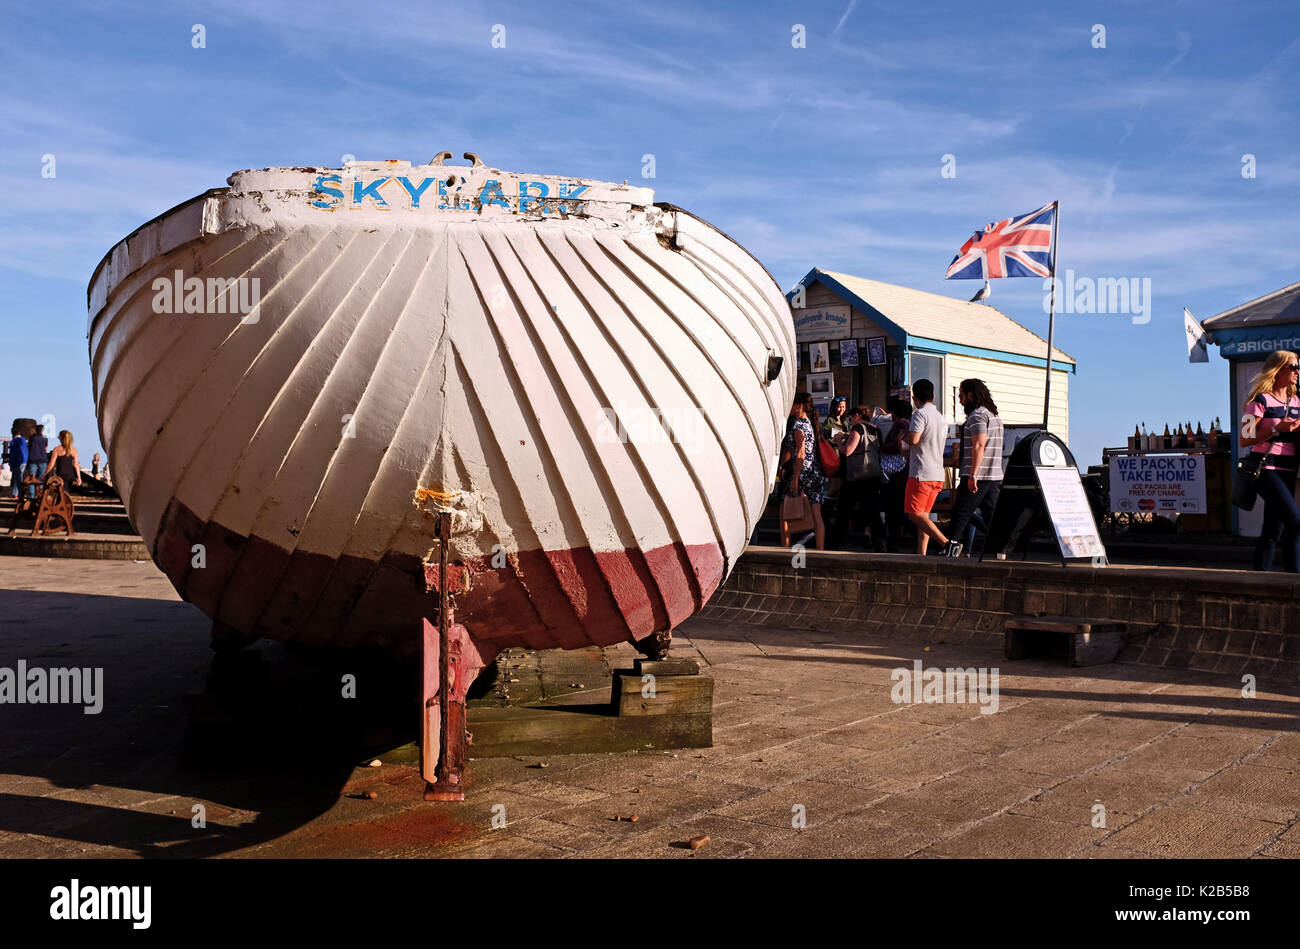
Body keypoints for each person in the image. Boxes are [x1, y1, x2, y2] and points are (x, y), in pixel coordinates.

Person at [1241, 350, 1300, 572]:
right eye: (1293, 367)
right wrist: (1276, 429)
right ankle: (1295, 580)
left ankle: (1258, 579)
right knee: (1295, 522)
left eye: (1298, 367)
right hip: (1266, 468)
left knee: (1272, 531)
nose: (1297, 371)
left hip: (1288, 469)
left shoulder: (1296, 401)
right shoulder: (1259, 400)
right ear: (1278, 369)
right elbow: (1244, 438)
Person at [948, 378, 1005, 558]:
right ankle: (999, 550)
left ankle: (949, 549)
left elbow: (979, 445)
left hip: (977, 474)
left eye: (962, 395)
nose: (960, 399)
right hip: (995, 475)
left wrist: (973, 474)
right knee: (992, 516)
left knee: (960, 513)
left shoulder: (977, 416)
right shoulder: (994, 416)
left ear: (971, 394)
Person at [905, 379, 959, 556]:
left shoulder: (920, 414)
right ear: (933, 396)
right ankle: (922, 554)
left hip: (921, 473)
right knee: (924, 515)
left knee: (914, 514)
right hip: (937, 473)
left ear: (914, 398)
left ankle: (947, 544)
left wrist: (902, 436)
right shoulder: (940, 417)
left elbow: (913, 439)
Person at [778, 391, 827, 549]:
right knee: (816, 514)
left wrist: (795, 477)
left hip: (803, 473)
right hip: (816, 473)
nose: (790, 407)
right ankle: (820, 551)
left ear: (799, 406)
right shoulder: (810, 424)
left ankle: (785, 549)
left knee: (784, 511)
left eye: (793, 404)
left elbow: (800, 452)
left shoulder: (798, 426)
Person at [837, 404, 885, 551]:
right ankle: (880, 545)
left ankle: (834, 542)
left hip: (857, 477)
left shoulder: (858, 429)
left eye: (851, 417)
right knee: (873, 513)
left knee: (843, 510)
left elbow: (847, 451)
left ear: (858, 415)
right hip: (874, 475)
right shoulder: (876, 430)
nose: (849, 420)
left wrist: (838, 441)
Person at [879, 396, 912, 551]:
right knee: (900, 510)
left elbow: (896, 446)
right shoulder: (912, 424)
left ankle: (894, 543)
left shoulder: (900, 424)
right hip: (906, 472)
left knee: (894, 511)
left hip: (897, 474)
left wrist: (882, 448)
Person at [25, 424, 49, 500]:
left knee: (32, 479)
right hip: (42, 459)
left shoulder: (32, 438)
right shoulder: (45, 439)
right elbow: (45, 448)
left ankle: (32, 496)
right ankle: (40, 495)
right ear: (42, 430)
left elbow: (29, 447)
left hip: (33, 459)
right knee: (41, 479)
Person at [6, 427, 27, 499]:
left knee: (17, 478)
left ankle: (18, 494)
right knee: (19, 477)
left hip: (17, 462)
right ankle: (17, 493)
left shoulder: (13, 442)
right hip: (24, 461)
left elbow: (12, 454)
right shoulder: (24, 440)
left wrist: (11, 463)